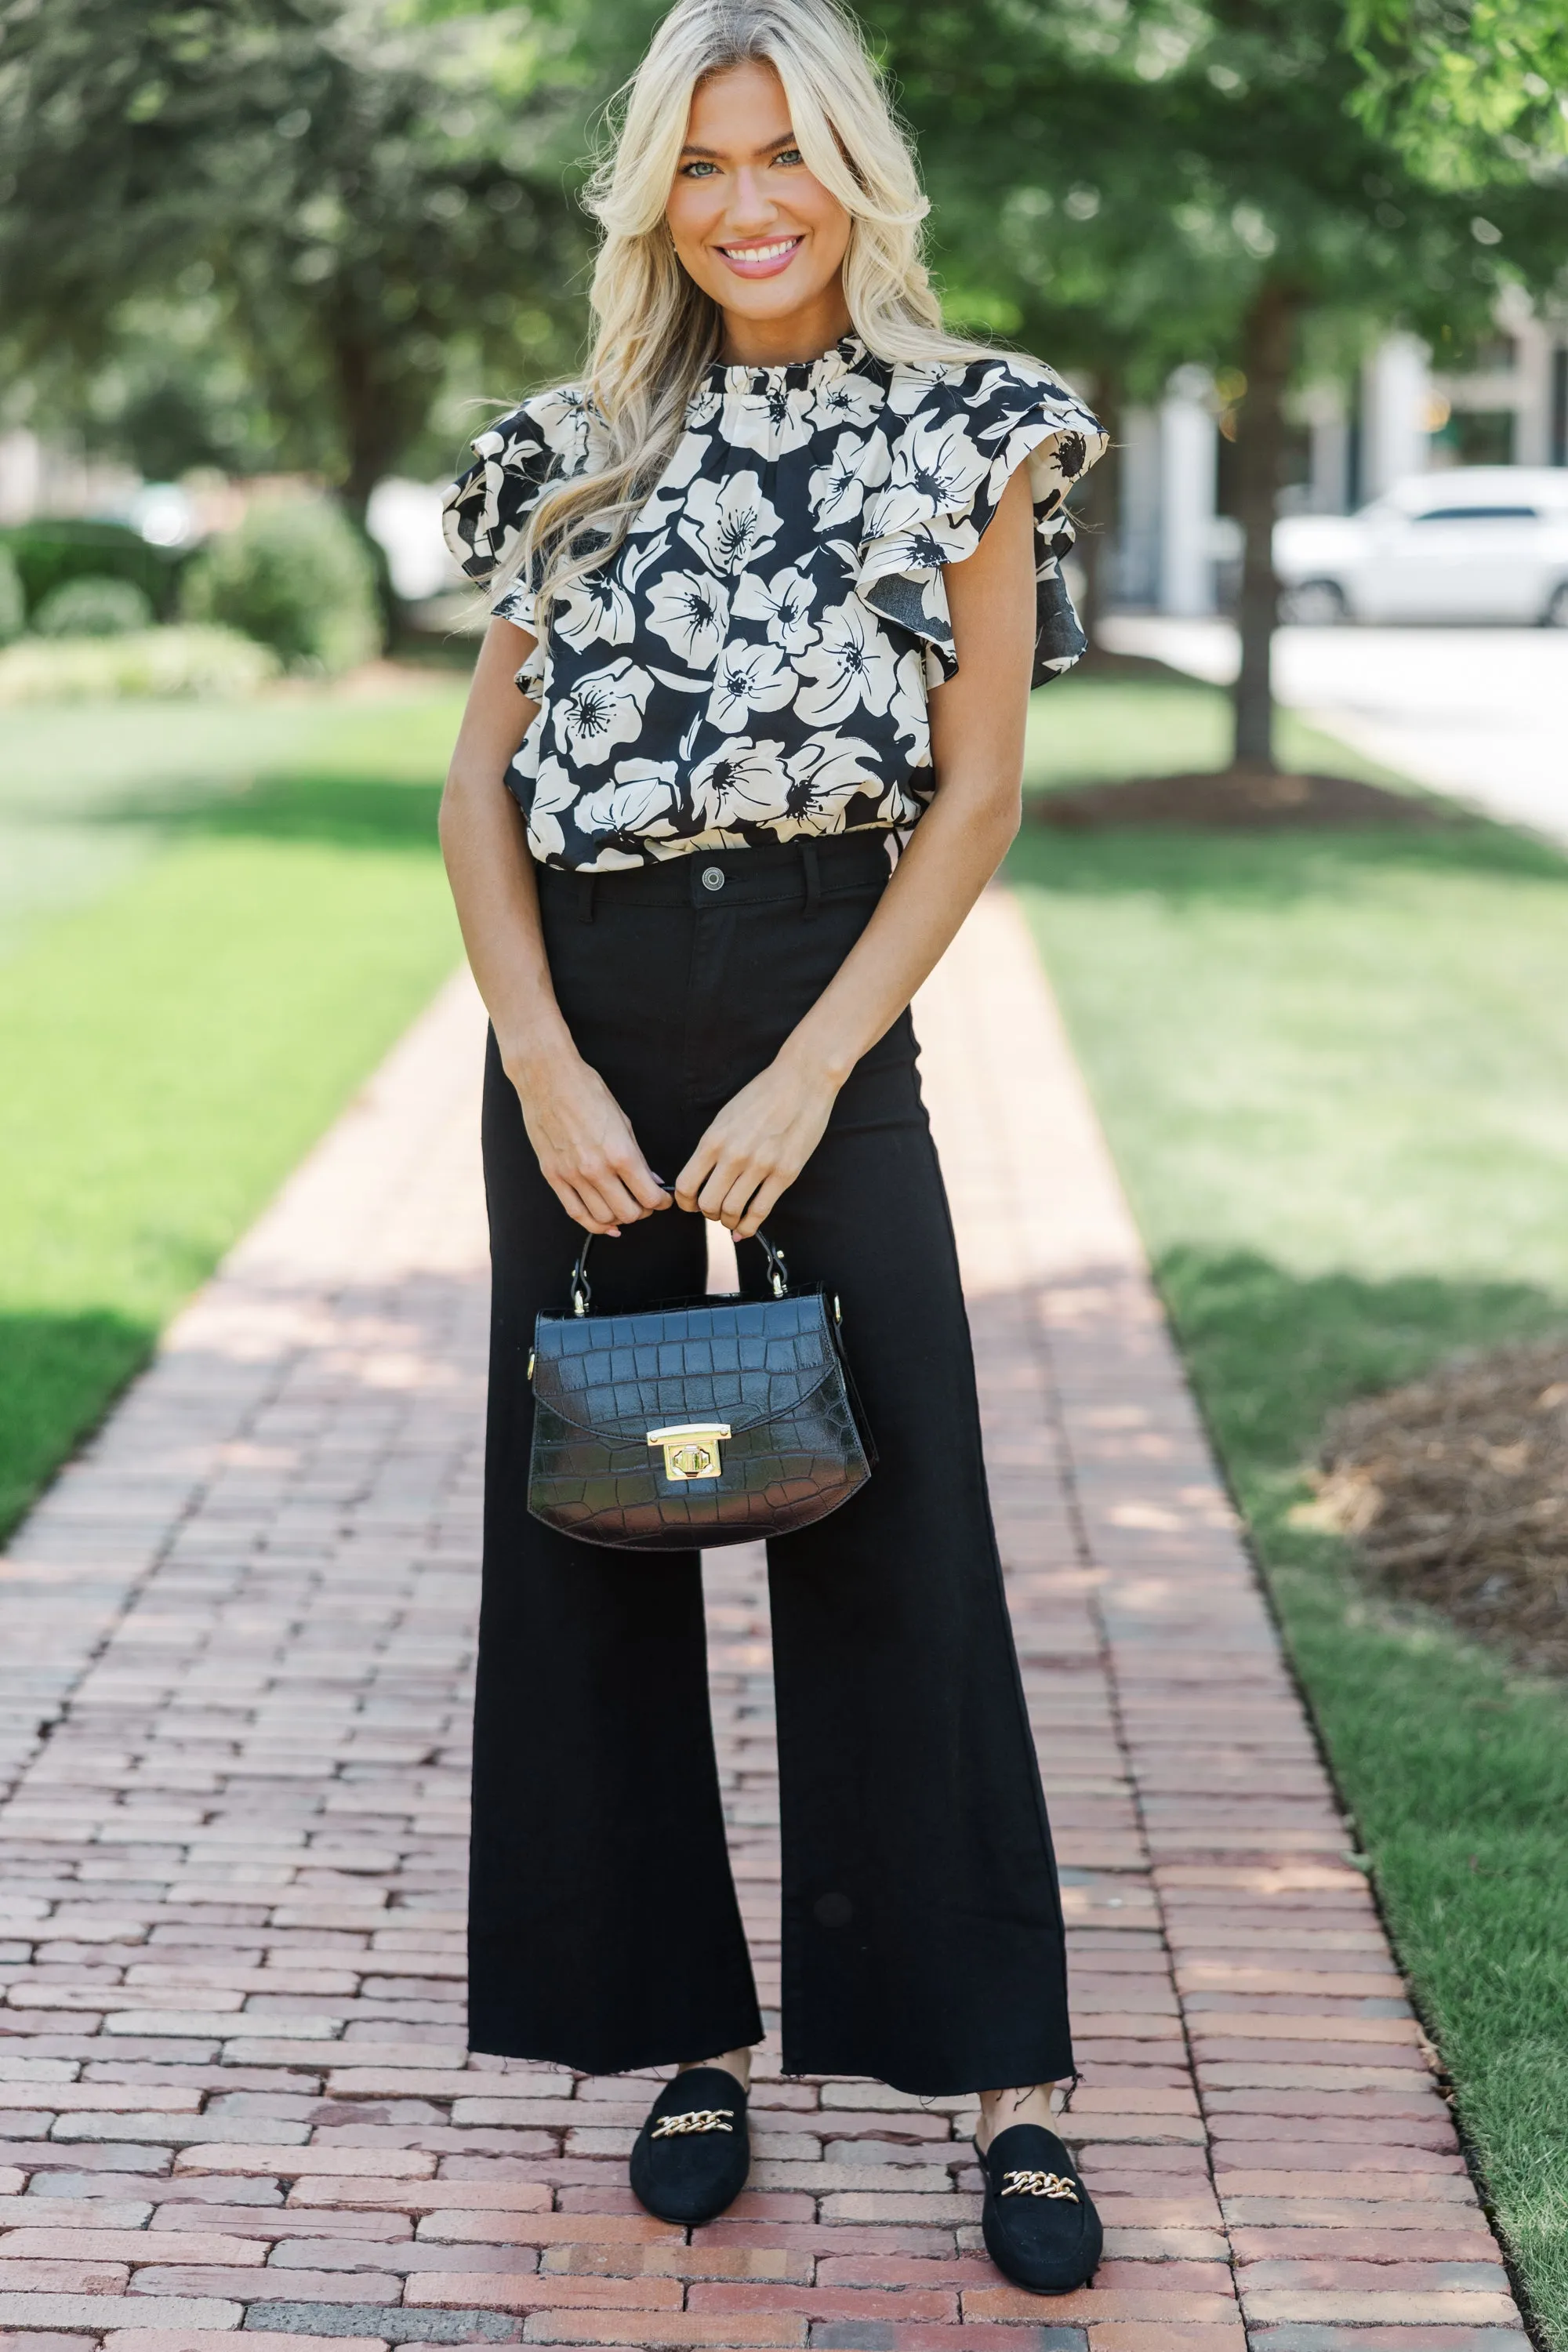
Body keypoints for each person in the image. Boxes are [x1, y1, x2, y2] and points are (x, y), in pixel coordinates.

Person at [439, 0, 1107, 2296]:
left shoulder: (979, 430)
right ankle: (679, 2035)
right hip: (589, 1039)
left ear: (853, 174)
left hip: (826, 995)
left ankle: (1001, 2078)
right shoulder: (564, 447)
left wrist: (821, 1064)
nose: (746, 201)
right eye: (706, 160)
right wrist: (539, 1059)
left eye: (786, 156)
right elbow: (479, 787)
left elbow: (981, 792)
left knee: (898, 1522)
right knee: (606, 1540)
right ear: (656, 188)